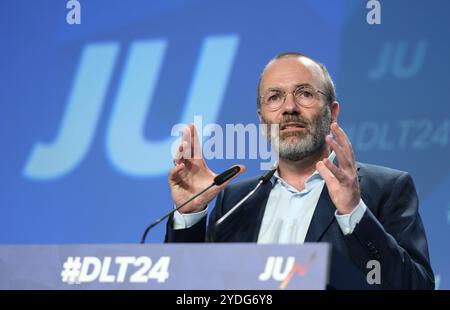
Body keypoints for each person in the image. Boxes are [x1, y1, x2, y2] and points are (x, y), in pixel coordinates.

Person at [165, 52, 434, 289]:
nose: (289, 108)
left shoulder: (385, 188)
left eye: (305, 93)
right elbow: (190, 290)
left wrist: (354, 213)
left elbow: (416, 286)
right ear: (261, 119)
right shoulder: (236, 200)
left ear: (333, 113)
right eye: (274, 97)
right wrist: (190, 214)